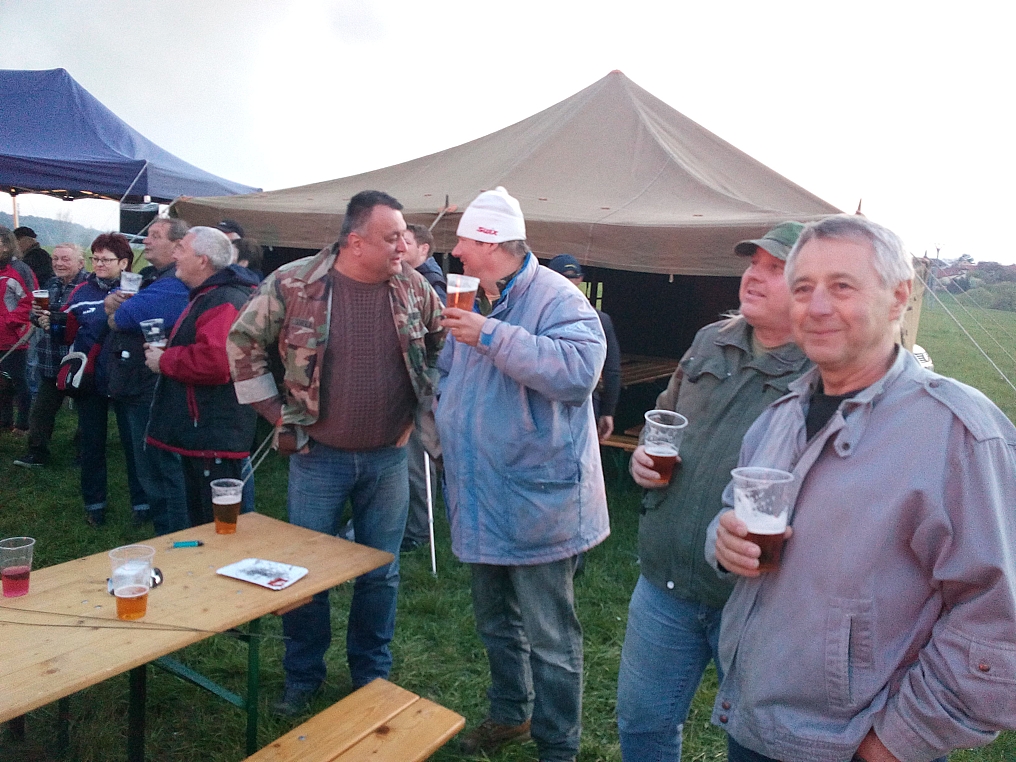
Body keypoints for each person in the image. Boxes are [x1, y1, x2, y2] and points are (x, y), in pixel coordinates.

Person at [709, 215, 1016, 762]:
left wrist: (894, 743)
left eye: (842, 286)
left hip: (855, 744)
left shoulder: (958, 433)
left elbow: (998, 620)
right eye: (803, 288)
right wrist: (723, 538)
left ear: (899, 296)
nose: (817, 307)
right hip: (755, 727)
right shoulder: (780, 415)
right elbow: (734, 512)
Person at [227, 191, 445, 716]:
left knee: (381, 572)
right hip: (317, 457)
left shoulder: (414, 287)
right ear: (356, 242)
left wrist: (419, 413)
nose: (404, 246)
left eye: (404, 236)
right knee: (306, 571)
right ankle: (302, 675)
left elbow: (443, 344)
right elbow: (242, 343)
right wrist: (278, 415)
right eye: (392, 237)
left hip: (389, 458)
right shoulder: (293, 282)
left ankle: (371, 675)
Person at [615, 222, 810, 761]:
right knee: (642, 723)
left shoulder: (821, 373)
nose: (754, 276)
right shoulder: (711, 340)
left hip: (754, 601)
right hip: (666, 578)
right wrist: (643, 457)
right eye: (753, 264)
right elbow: (665, 418)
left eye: (775, 268)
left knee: (755, 743)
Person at [437, 187, 609, 762]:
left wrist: (489, 335)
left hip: (539, 499)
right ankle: (511, 714)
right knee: (495, 622)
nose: (457, 251)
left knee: (550, 636)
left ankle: (558, 745)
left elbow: (578, 372)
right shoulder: (474, 297)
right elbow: (450, 372)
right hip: (480, 490)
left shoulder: (559, 298)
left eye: (465, 240)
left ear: (490, 243)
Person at [144, 227, 258, 527]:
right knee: (207, 523)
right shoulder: (211, 295)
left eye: (181, 248)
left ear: (203, 260)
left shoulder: (223, 298)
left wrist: (165, 359)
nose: (174, 254)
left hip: (213, 434)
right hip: (205, 433)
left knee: (218, 526)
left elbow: (216, 362)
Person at [104, 217, 191, 532]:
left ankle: (174, 534)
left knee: (159, 466)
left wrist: (112, 310)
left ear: (177, 245)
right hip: (138, 382)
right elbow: (119, 307)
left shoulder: (173, 284)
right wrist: (112, 304)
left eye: (155, 235)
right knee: (149, 463)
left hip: (152, 387)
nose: (146, 240)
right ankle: (168, 530)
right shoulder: (152, 278)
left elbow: (124, 317)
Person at [63, 233, 148, 527]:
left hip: (128, 378)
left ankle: (142, 504)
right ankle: (95, 504)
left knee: (134, 444)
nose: (98, 264)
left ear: (124, 263)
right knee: (91, 443)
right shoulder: (80, 292)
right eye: (95, 258)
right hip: (92, 379)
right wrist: (49, 321)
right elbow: (67, 332)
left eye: (105, 259)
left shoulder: (140, 290)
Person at [13, 244, 88, 467]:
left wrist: (55, 318)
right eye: (55, 259)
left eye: (65, 259)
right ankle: (37, 453)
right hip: (51, 359)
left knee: (87, 411)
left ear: (81, 263)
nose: (58, 263)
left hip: (79, 360)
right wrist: (36, 315)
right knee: (41, 411)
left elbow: (89, 318)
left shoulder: (88, 286)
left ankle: (85, 454)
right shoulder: (51, 284)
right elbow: (35, 316)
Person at [399, 222, 446, 552]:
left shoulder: (430, 285)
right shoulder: (403, 278)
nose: (399, 246)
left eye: (406, 241)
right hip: (411, 381)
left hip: (422, 383)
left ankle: (417, 528)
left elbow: (438, 339)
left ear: (424, 249)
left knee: (418, 452)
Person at [546, 254, 621, 441]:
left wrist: (608, 411)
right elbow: (612, 370)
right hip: (583, 401)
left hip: (546, 400)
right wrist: (608, 411)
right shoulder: (599, 318)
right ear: (580, 279)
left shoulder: (538, 316)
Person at [1, 226, 38, 435]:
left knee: (17, 380)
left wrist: (9, 322)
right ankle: (4, 421)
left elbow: (31, 300)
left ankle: (23, 424)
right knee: (1, 382)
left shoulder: (20, 270)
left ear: (7, 246)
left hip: (14, 336)